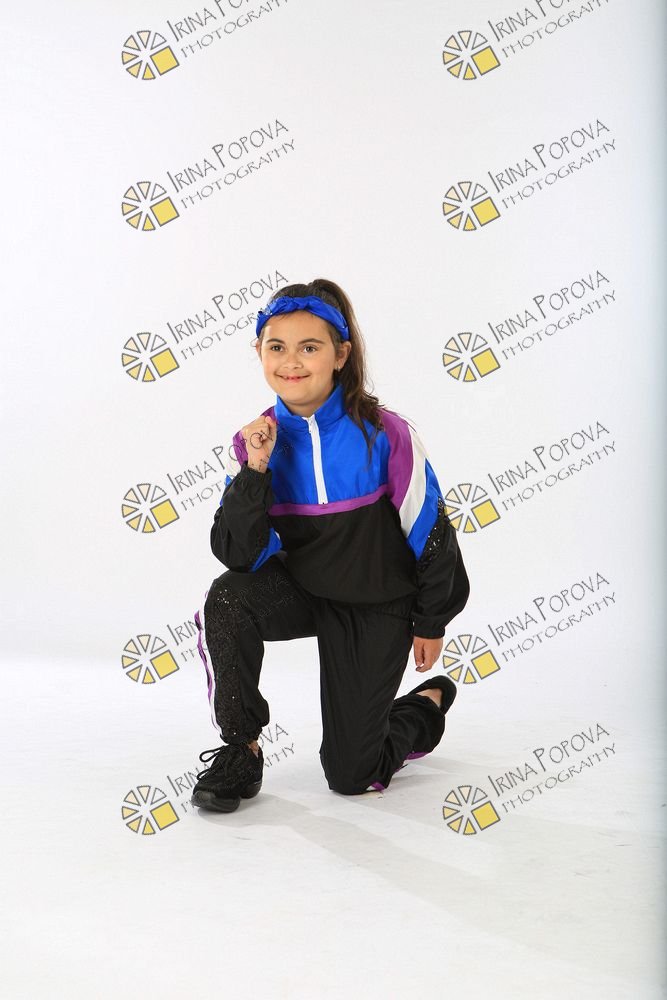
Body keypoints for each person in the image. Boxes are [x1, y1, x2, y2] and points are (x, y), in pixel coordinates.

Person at [191, 278, 471, 813]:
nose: (291, 362)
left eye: (309, 347)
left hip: (376, 601)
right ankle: (241, 749)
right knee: (227, 597)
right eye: (277, 347)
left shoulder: (384, 433)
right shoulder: (258, 442)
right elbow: (240, 556)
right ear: (259, 352)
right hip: (304, 590)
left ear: (340, 355)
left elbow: (432, 531)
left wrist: (431, 620)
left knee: (352, 775)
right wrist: (255, 470)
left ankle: (424, 706)